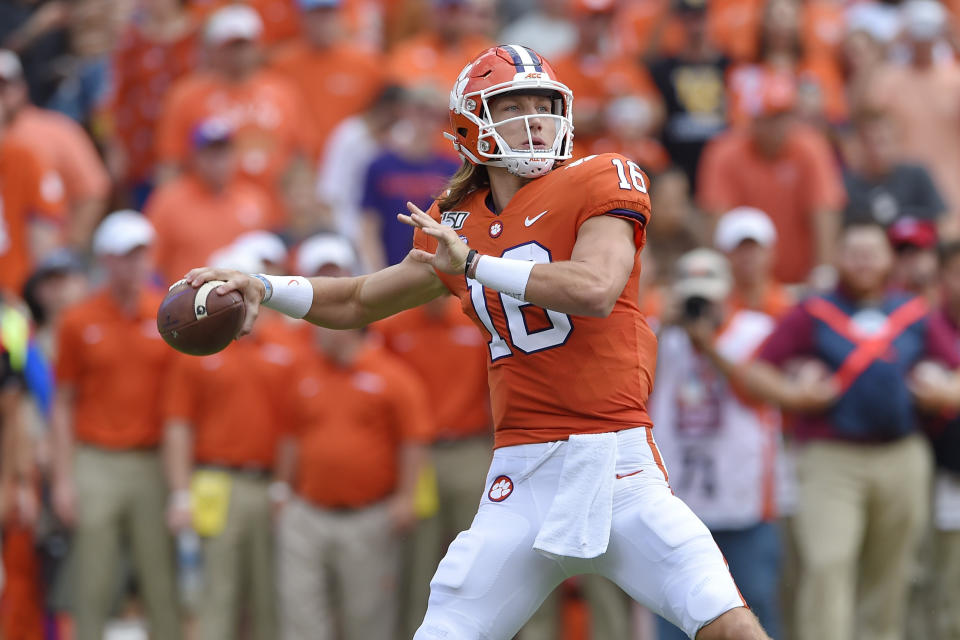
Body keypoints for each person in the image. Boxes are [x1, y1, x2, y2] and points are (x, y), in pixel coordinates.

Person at [185, 44, 769, 640]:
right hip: (520, 475)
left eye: (547, 104)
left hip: (617, 463)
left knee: (731, 628)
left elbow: (595, 288)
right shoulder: (458, 218)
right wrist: (262, 284)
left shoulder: (601, 178)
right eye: (517, 106)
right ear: (473, 125)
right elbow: (360, 299)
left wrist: (475, 265)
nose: (538, 120)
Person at [727, 223, 960, 640]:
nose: (865, 260)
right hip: (830, 457)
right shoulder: (812, 310)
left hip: (902, 453)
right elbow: (757, 371)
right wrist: (795, 395)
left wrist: (943, 389)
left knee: (890, 573)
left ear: (889, 259)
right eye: (854, 250)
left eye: (873, 251)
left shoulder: (913, 311)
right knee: (827, 563)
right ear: (837, 258)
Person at [276, 233, 432, 640]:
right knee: (303, 619)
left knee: (368, 619)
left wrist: (405, 498)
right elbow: (291, 434)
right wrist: (283, 490)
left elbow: (413, 440)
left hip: (368, 515)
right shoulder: (302, 369)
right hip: (308, 512)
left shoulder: (390, 375)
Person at [51, 211, 181, 640]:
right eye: (126, 255)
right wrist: (64, 478)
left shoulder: (167, 316)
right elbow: (63, 403)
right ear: (106, 260)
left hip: (150, 459)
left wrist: (177, 481)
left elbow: (177, 405)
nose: (136, 264)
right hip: (96, 460)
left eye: (142, 254)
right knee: (92, 580)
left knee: (160, 579)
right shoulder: (79, 321)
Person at [161, 245, 295, 640]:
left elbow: (290, 428)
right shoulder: (198, 347)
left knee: (269, 600)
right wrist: (180, 494)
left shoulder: (284, 347)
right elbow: (178, 425)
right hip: (215, 482)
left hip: (266, 484)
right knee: (216, 598)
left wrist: (284, 484)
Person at [651, 248, 784, 640]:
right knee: (676, 612)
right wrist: (663, 327)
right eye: (693, 297)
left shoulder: (755, 328)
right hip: (678, 505)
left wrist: (708, 345)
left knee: (755, 604)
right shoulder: (659, 336)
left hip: (744, 502)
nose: (700, 306)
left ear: (726, 293)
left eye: (707, 297)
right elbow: (629, 386)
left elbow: (760, 391)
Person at [373, 293, 491, 638]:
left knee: (479, 560)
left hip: (469, 448)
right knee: (418, 565)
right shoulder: (394, 326)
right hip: (417, 456)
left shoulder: (475, 317)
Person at [697, 75, 845, 286]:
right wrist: (721, 278)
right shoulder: (725, 152)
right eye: (771, 117)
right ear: (754, 119)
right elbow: (716, 218)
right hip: (742, 283)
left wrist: (824, 270)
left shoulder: (811, 147)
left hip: (800, 282)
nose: (779, 125)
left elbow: (824, 211)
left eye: (784, 116)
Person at [0, 49, 110, 250]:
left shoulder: (56, 130)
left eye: (3, 87)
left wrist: (67, 248)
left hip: (42, 254)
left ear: (21, 87)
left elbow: (92, 191)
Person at [147, 118, 276, 285]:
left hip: (248, 302)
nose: (218, 162)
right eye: (211, 154)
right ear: (194, 157)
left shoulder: (255, 199)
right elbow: (150, 264)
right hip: (188, 303)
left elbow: (273, 261)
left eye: (223, 153)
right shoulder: (168, 201)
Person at [270, 0, 386, 165]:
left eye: (328, 14)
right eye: (316, 14)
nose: (322, 21)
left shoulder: (366, 64)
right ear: (301, 17)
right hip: (300, 166)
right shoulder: (281, 64)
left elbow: (384, 111)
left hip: (349, 165)